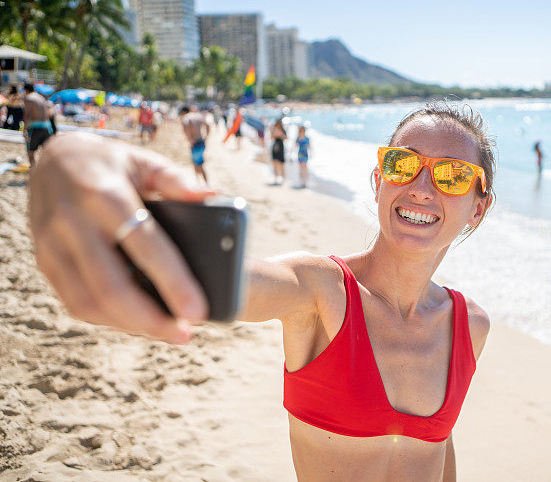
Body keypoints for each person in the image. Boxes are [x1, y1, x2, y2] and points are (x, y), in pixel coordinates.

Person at [28, 101, 494, 480]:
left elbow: (437, 448)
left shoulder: (470, 325)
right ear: (378, 181)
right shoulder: (320, 291)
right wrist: (71, 162)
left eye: (452, 175)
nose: (421, 186)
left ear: (478, 208)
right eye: (403, 163)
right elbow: (218, 279)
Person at [22, 83, 54, 167]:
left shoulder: (29, 98)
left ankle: (33, 172)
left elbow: (27, 114)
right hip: (47, 127)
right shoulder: (41, 97)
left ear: (26, 90)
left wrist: (25, 129)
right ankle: (47, 171)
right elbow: (49, 113)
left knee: (30, 152)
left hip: (35, 127)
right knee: (46, 151)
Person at [179, 105, 210, 185]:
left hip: (194, 143)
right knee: (197, 164)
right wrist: (206, 137)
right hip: (201, 141)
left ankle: (204, 184)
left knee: (198, 165)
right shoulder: (199, 116)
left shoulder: (186, 117)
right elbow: (208, 125)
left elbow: (186, 129)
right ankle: (200, 183)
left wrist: (190, 140)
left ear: (183, 112)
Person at [271, 117, 288, 185]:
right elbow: (271, 138)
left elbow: (286, 138)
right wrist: (275, 134)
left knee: (281, 163)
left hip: (281, 147)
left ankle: (283, 177)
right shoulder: (273, 129)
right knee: (275, 162)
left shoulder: (283, 130)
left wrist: (280, 134)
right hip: (275, 146)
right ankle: (276, 177)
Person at [296, 123, 311, 188]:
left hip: (305, 153)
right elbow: (295, 146)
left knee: (304, 167)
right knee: (301, 168)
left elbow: (309, 147)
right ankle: (302, 181)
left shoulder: (307, 138)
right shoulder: (298, 138)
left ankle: (305, 181)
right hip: (300, 153)